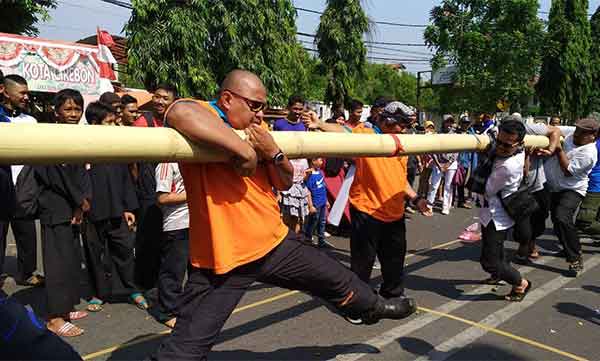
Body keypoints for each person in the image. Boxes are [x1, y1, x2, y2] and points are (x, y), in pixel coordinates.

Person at [151, 70, 417, 361]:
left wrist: (272, 152)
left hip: (274, 242)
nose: (260, 112)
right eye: (254, 105)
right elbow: (179, 111)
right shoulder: (202, 112)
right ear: (227, 99)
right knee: (183, 351)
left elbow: (284, 181)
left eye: (263, 106)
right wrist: (241, 149)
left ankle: (372, 307)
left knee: (339, 279)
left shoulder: (258, 128)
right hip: (221, 258)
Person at [305, 100, 431, 321]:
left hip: (394, 212)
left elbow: (399, 180)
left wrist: (416, 198)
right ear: (384, 120)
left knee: (394, 261)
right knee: (362, 264)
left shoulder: (399, 142)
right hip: (367, 210)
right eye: (399, 124)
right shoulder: (366, 134)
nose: (402, 129)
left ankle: (392, 297)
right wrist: (320, 124)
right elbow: (343, 131)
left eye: (405, 125)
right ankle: (357, 307)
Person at [34, 89, 92, 337]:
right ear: (55, 111)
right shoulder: (46, 136)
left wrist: (81, 203)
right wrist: (79, 199)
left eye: (77, 109)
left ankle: (66, 308)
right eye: (68, 109)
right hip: (54, 207)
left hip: (73, 208)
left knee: (70, 260)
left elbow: (82, 172)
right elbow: (53, 175)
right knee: (57, 263)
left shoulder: (76, 136)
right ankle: (55, 318)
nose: (73, 114)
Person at [83, 102, 147, 312]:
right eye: (109, 122)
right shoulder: (82, 146)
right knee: (95, 254)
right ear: (94, 123)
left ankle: (133, 290)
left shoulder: (116, 145)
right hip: (91, 212)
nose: (114, 125)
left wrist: (129, 208)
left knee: (126, 250)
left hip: (118, 210)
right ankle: (99, 293)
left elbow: (126, 179)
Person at [477, 119, 531, 301]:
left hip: (496, 216)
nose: (499, 147)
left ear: (519, 144)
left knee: (489, 262)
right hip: (494, 214)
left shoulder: (507, 166)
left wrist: (485, 157)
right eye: (498, 142)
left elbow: (487, 190)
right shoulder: (518, 152)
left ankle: (521, 283)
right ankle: (500, 275)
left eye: (506, 145)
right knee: (497, 252)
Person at [131, 84, 176, 290]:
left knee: (169, 236)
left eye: (165, 98)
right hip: (149, 188)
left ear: (173, 101)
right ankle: (144, 283)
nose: (159, 101)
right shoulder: (144, 122)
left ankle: (162, 277)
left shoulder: (176, 122)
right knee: (147, 236)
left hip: (172, 188)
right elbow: (132, 160)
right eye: (157, 97)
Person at [0, 74, 41, 287]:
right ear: (5, 92)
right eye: (22, 93)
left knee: (26, 233)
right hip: (2, 183)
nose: (26, 97)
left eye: (27, 92)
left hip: (24, 184)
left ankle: (27, 273)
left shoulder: (30, 121)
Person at [544, 118, 599, 276]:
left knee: (562, 217)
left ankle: (575, 257)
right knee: (556, 220)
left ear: (593, 136)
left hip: (573, 189)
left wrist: (559, 149)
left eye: (582, 132)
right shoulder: (573, 134)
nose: (577, 134)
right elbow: (554, 129)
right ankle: (568, 248)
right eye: (577, 130)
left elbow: (568, 171)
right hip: (555, 186)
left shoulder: (589, 153)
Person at [512, 121, 561, 263]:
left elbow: (556, 131)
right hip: (518, 187)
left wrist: (550, 149)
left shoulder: (530, 128)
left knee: (541, 216)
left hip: (539, 184)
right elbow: (523, 172)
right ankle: (524, 247)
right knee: (522, 221)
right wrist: (526, 155)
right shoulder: (503, 138)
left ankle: (531, 243)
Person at [154, 161, 189, 329]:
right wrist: (194, 194)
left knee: (195, 270)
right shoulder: (166, 165)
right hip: (176, 225)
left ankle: (185, 306)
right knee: (173, 271)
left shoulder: (190, 160)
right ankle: (167, 312)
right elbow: (162, 197)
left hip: (195, 223)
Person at [272, 95, 310, 235]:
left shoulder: (305, 125)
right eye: (295, 108)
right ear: (289, 108)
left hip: (301, 170)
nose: (298, 112)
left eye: (300, 109)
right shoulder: (279, 124)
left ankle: (295, 238)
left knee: (298, 212)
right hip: (283, 168)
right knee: (284, 209)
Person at [427, 116, 459, 215]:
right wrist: (439, 164)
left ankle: (445, 207)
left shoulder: (455, 135)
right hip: (438, 163)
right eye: (447, 122)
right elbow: (433, 150)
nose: (449, 125)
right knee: (434, 185)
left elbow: (457, 150)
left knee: (448, 186)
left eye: (451, 122)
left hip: (451, 163)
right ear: (443, 123)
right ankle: (429, 205)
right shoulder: (437, 134)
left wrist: (449, 163)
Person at [303, 157, 329, 247]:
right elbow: (308, 191)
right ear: (313, 161)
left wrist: (326, 201)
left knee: (322, 222)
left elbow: (323, 187)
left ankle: (321, 240)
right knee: (313, 221)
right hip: (315, 203)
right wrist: (311, 205)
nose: (322, 162)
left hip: (322, 202)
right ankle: (308, 238)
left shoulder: (320, 173)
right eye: (320, 160)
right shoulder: (309, 174)